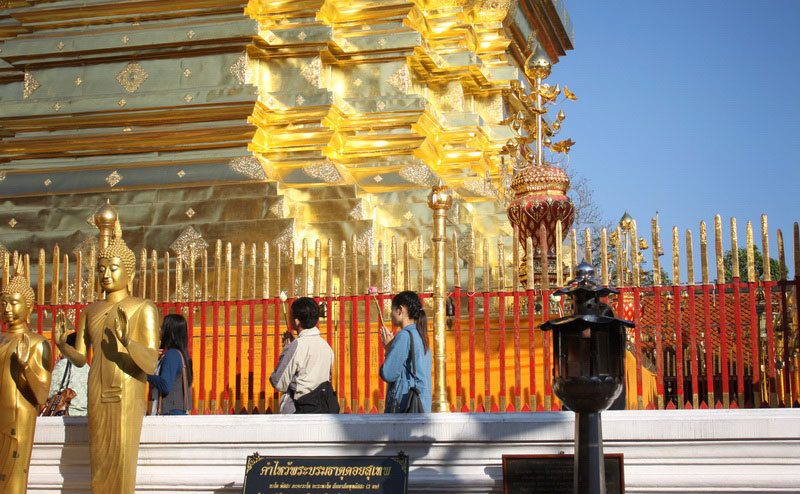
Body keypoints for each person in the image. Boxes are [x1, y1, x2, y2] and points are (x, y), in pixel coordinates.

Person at [54, 222, 160, 494]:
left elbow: (150, 361)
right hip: (96, 390)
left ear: (130, 272)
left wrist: (127, 342)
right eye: (101, 269)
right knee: (99, 462)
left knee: (122, 460)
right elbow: (80, 358)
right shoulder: (90, 311)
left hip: (126, 389)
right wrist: (61, 345)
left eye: (113, 268)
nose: (106, 275)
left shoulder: (142, 308)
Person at [0, 263, 52, 493]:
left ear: (29, 307)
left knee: (14, 478)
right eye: (4, 303)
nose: (7, 308)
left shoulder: (37, 343)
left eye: (14, 302)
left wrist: (24, 367)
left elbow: (41, 393)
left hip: (18, 418)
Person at [270, 297, 336, 414]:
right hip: (322, 409)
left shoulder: (296, 346)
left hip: (299, 410)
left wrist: (286, 350)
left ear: (296, 321)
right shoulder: (326, 347)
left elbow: (278, 382)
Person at [379, 291, 432, 413]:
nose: (391, 315)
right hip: (421, 404)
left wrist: (388, 349)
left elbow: (388, 373)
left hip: (405, 404)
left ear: (400, 310)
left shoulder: (404, 336)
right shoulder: (421, 334)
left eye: (392, 310)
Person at [148, 314, 193, 415]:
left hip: (170, 413)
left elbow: (165, 385)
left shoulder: (172, 354)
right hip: (177, 411)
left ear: (169, 332)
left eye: (163, 327)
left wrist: (145, 374)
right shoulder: (182, 355)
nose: (160, 330)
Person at [47, 331, 90, 416]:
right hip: (87, 416)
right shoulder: (88, 368)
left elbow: (49, 392)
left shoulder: (63, 365)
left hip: (67, 414)